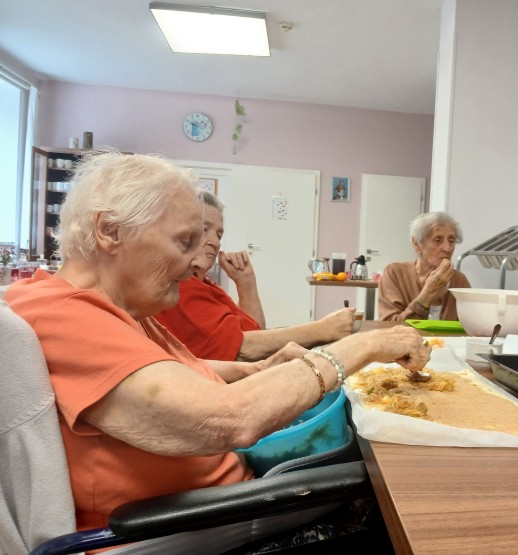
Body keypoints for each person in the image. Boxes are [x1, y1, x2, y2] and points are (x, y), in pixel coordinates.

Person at [4, 151, 431, 535]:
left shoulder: (120, 310)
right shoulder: (61, 315)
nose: (197, 260)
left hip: (221, 505)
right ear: (110, 230)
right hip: (197, 527)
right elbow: (227, 420)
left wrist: (261, 371)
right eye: (184, 241)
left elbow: (177, 374)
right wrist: (361, 347)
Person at [155, 190, 355, 361]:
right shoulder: (180, 287)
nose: (214, 242)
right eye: (205, 229)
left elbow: (255, 332)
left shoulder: (204, 282)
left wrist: (246, 282)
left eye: (219, 234)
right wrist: (323, 329)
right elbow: (243, 349)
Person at [378, 211, 470, 321]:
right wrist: (427, 295)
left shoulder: (459, 281)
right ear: (417, 244)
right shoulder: (395, 273)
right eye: (437, 240)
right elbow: (389, 327)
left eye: (451, 241)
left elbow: (471, 327)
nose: (447, 248)